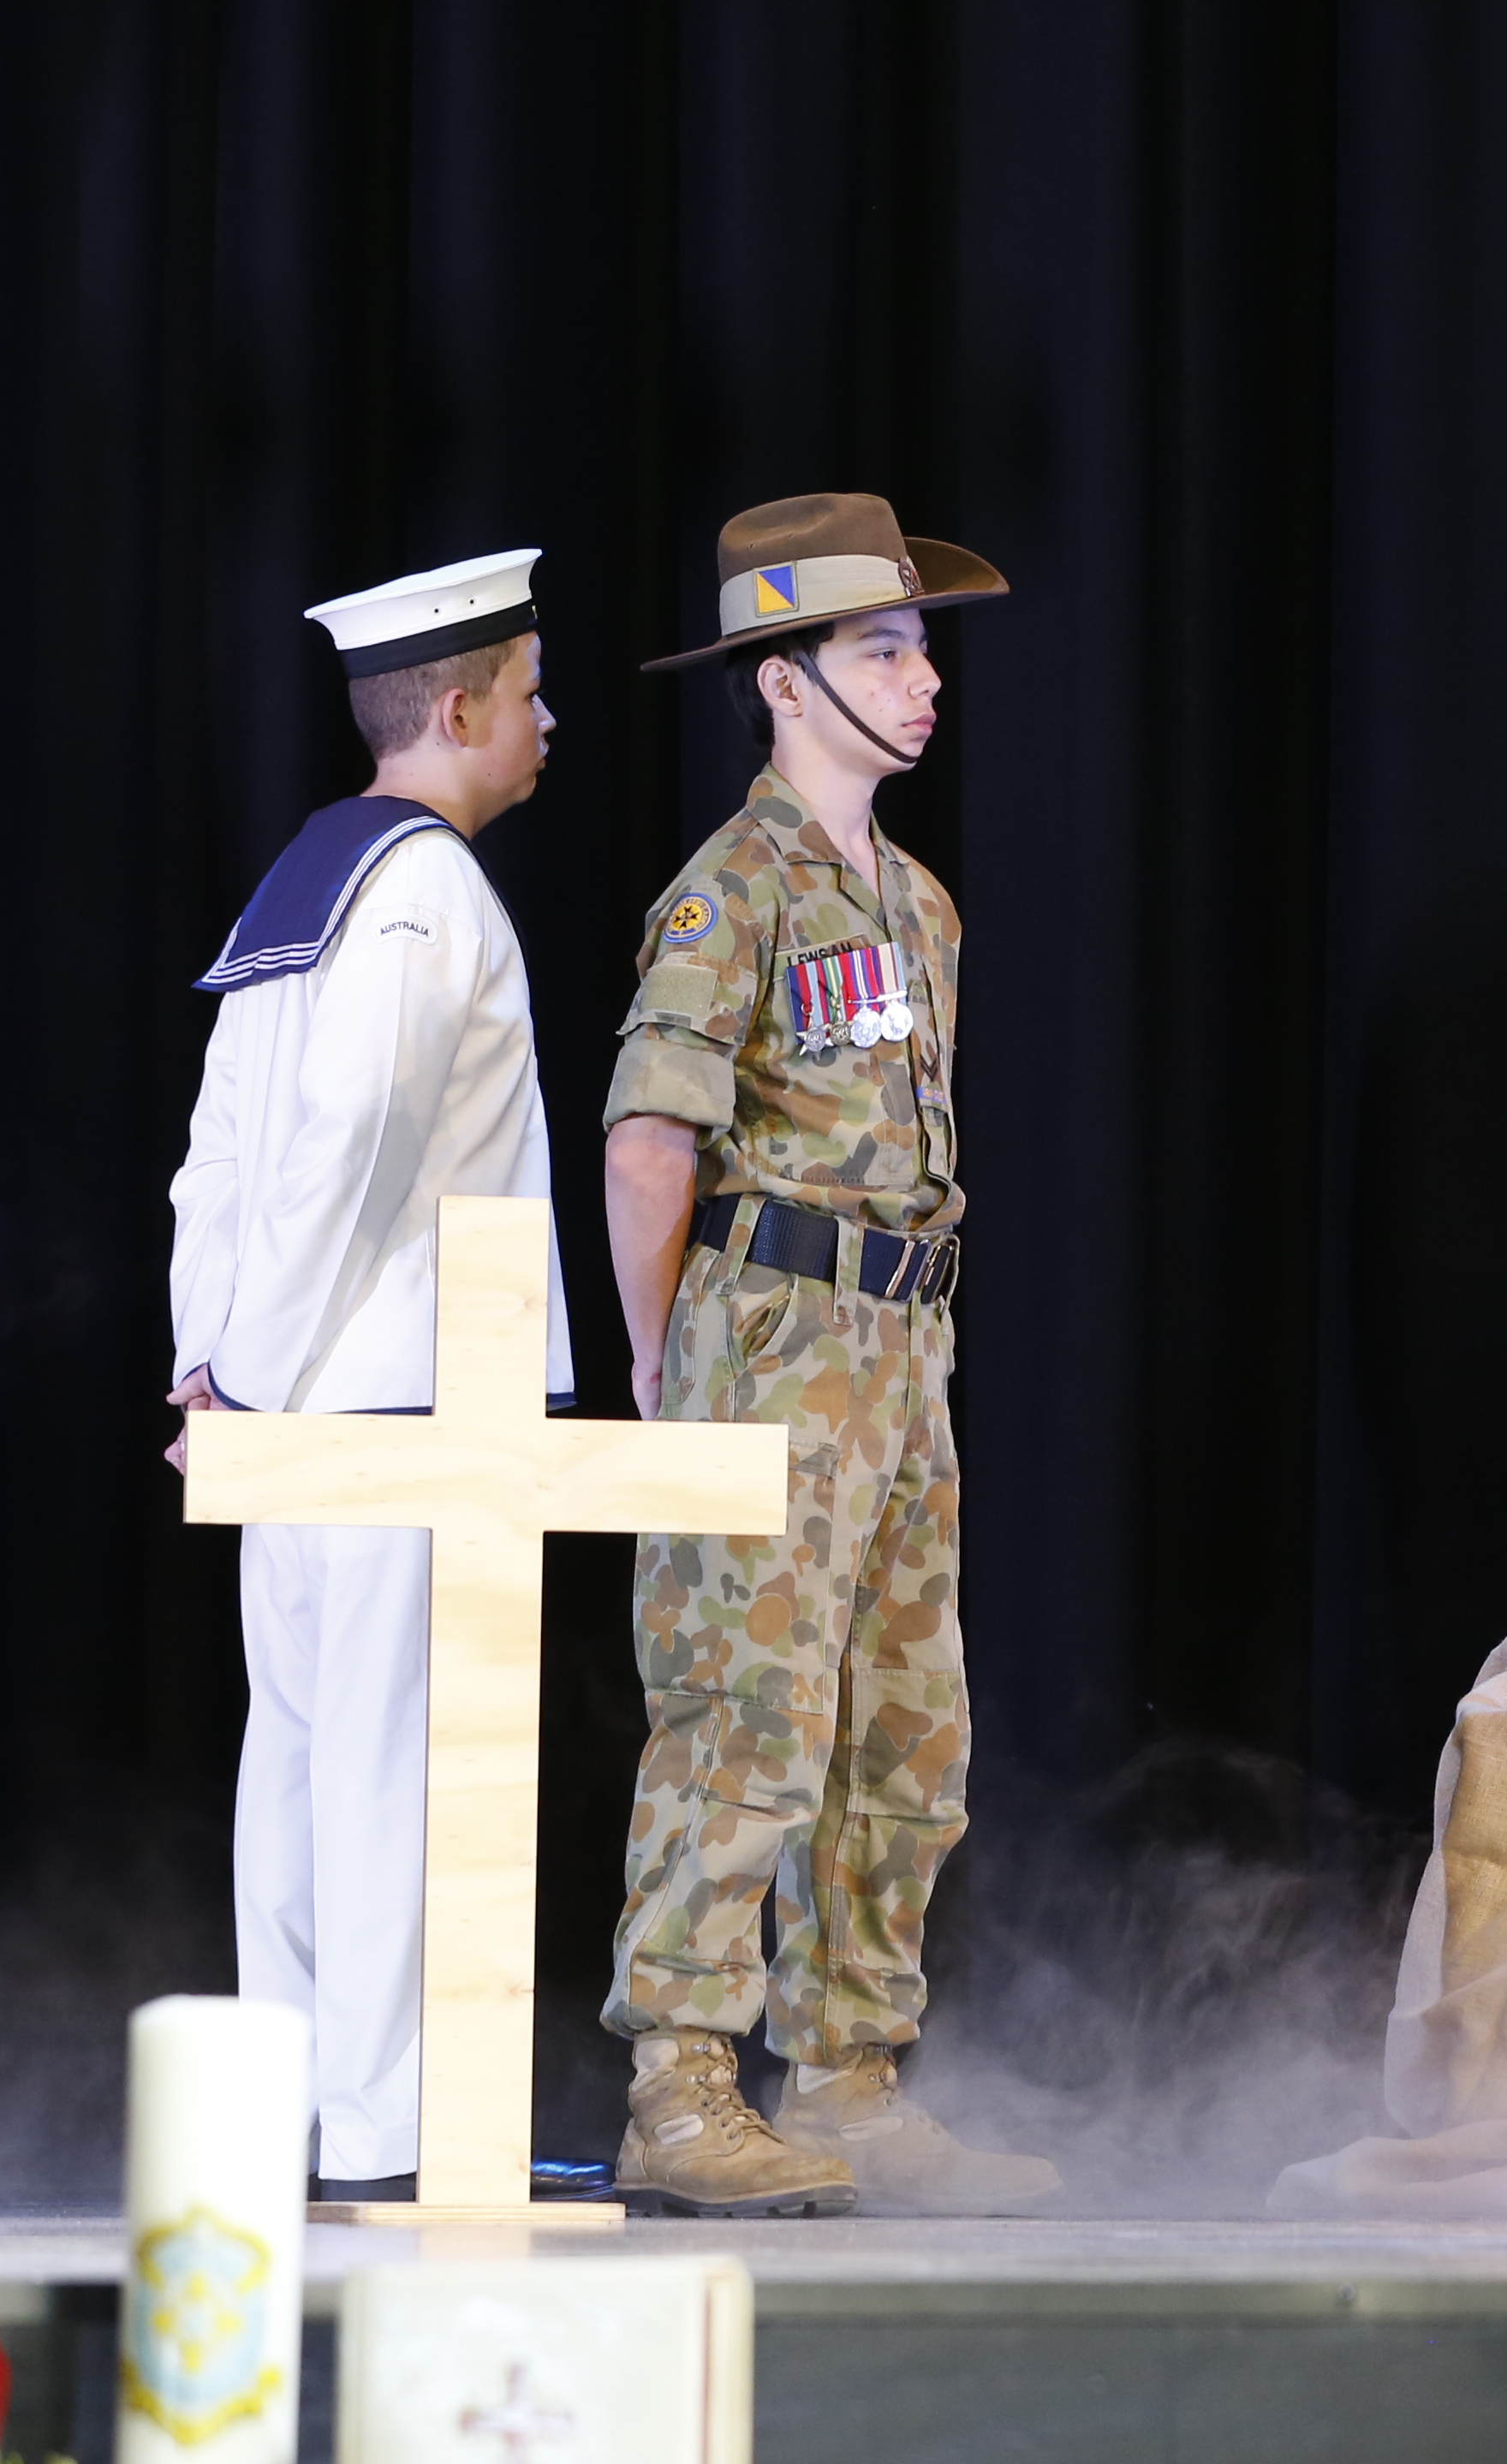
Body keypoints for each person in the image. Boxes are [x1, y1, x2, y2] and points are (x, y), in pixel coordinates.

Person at [595, 494, 1057, 2217]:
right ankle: (678, 2086)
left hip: (901, 1336)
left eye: (922, 647)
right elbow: (653, 1145)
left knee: (900, 1722)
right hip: (773, 1330)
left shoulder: (916, 902)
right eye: (884, 649)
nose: (924, 679)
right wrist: (663, 1363)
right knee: (743, 1711)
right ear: (785, 683)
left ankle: (848, 2075)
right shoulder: (734, 891)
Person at [166, 548, 568, 2198]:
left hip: (296, 1403)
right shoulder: (424, 891)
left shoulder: (307, 875)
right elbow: (349, 1138)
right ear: (459, 707)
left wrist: (211, 1367)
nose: (549, 723)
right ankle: (395, 2133)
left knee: (310, 1757)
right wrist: (252, 1382)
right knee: (395, 1766)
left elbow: (215, 1160)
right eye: (532, 695)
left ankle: (313, 2118)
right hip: (399, 1395)